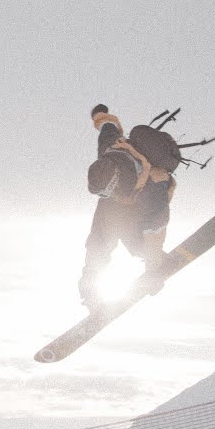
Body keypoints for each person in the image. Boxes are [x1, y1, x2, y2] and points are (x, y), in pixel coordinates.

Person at [78, 104, 176, 313]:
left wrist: (153, 269)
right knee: (99, 240)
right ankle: (91, 291)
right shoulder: (108, 149)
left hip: (144, 201)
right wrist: (99, 114)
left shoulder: (153, 185)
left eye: (106, 192)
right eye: (101, 194)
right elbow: (108, 125)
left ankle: (153, 259)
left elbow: (155, 229)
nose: (105, 196)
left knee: (135, 239)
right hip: (124, 201)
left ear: (115, 181)